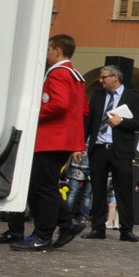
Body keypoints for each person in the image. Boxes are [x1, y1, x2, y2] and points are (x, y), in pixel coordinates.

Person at [14, 36, 87, 252]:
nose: (45, 53)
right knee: (47, 186)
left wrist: (34, 114)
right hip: (64, 138)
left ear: (57, 50)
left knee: (42, 189)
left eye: (48, 49)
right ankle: (67, 223)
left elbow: (58, 104)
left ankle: (42, 235)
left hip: (51, 138)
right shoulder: (76, 75)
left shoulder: (58, 73)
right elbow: (82, 110)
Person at [82, 64, 139, 242]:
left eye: (104, 77)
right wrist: (80, 144)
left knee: (123, 191)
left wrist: (122, 121)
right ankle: (97, 228)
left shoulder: (132, 97)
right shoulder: (97, 96)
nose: (101, 80)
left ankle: (126, 230)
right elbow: (89, 122)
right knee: (97, 189)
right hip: (99, 148)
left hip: (121, 150)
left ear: (115, 78)